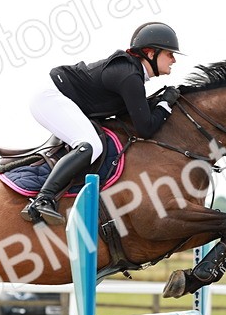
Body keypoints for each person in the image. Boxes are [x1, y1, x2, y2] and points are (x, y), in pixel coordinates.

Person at [20, 21, 181, 226]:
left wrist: (160, 103)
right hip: (50, 97)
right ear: (150, 53)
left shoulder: (132, 73)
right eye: (169, 54)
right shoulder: (130, 76)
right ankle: (43, 199)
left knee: (92, 143)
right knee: (91, 145)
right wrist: (165, 105)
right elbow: (145, 128)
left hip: (59, 97)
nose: (174, 59)